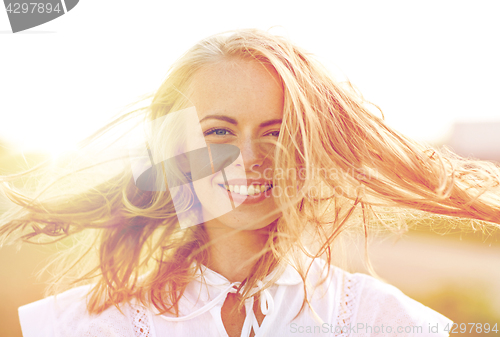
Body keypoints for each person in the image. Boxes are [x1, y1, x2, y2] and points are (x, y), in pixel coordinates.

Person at [1, 28, 499, 337]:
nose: (249, 159)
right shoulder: (77, 325)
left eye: (278, 133)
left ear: (312, 148)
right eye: (218, 131)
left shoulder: (388, 321)